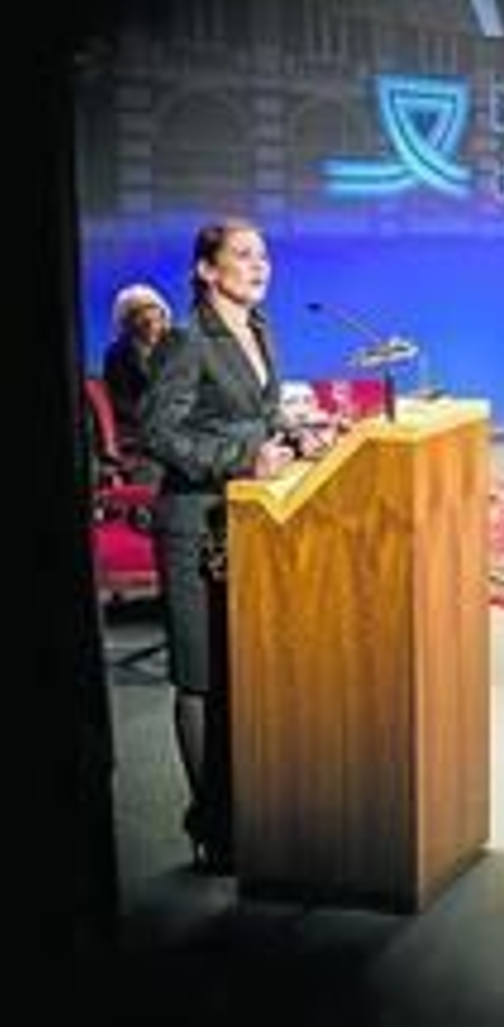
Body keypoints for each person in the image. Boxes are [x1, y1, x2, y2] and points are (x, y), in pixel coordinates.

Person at [142, 218, 322, 872]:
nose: (259, 265)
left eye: (264, 255)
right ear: (206, 270)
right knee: (201, 677)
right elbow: (158, 433)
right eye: (242, 255)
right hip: (194, 522)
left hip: (247, 523)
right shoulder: (187, 338)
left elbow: (259, 415)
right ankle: (210, 824)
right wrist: (243, 459)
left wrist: (297, 436)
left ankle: (247, 809)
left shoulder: (261, 328)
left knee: (241, 672)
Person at [101, 283, 173, 476]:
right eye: (138, 314)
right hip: (138, 436)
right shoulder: (118, 354)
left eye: (153, 310)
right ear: (127, 322)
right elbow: (121, 404)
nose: (149, 319)